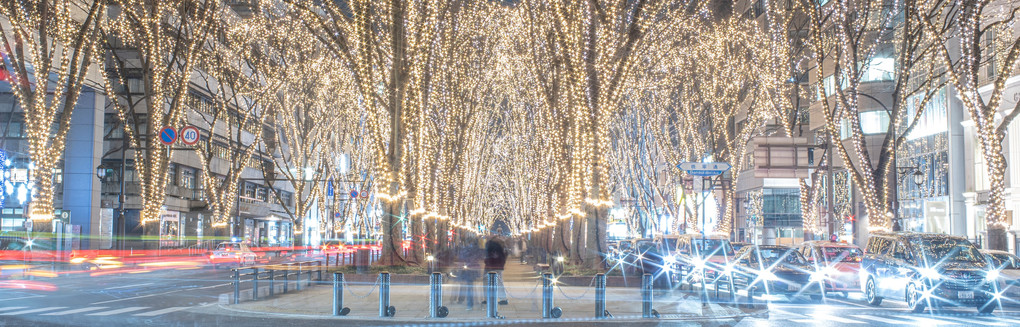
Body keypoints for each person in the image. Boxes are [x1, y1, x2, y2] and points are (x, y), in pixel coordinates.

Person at [483, 237, 509, 305]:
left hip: (490, 267)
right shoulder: (502, 248)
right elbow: (505, 256)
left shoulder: (490, 247)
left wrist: (487, 261)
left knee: (486, 283)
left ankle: (487, 298)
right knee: (499, 283)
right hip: (499, 267)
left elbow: (487, 258)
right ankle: (503, 298)